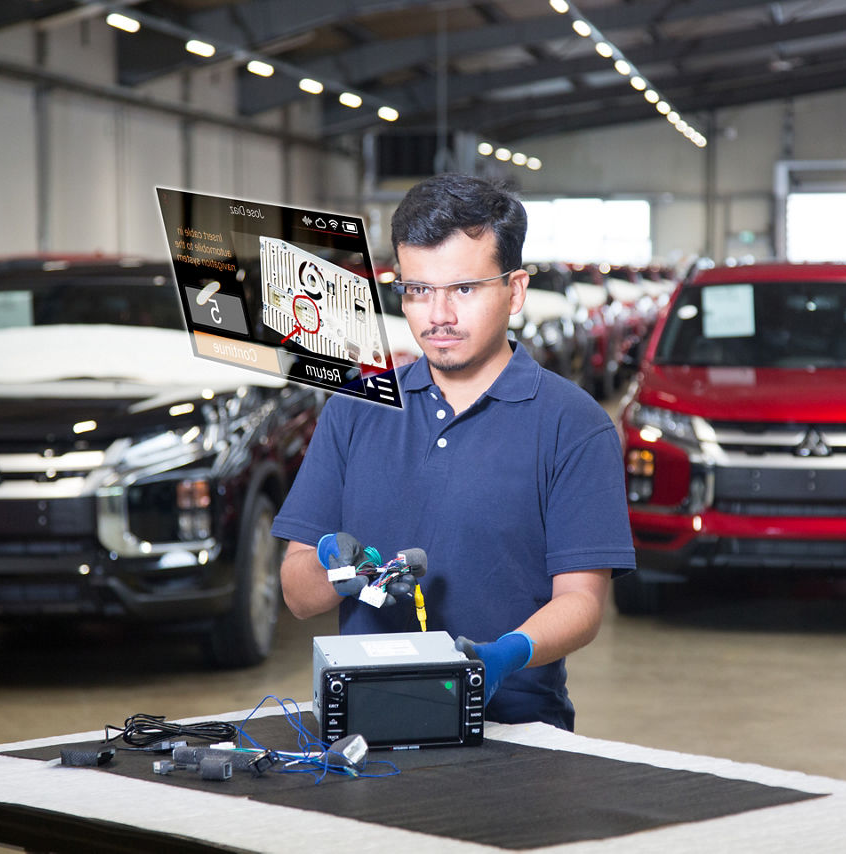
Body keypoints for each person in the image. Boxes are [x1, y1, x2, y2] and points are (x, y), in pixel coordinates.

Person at [272, 173, 635, 731]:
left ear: (514, 291)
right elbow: (298, 593)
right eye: (418, 289)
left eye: (463, 289)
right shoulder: (356, 409)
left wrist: (504, 655)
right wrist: (340, 572)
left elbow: (582, 604)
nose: (437, 315)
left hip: (518, 731)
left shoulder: (574, 426)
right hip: (363, 728)